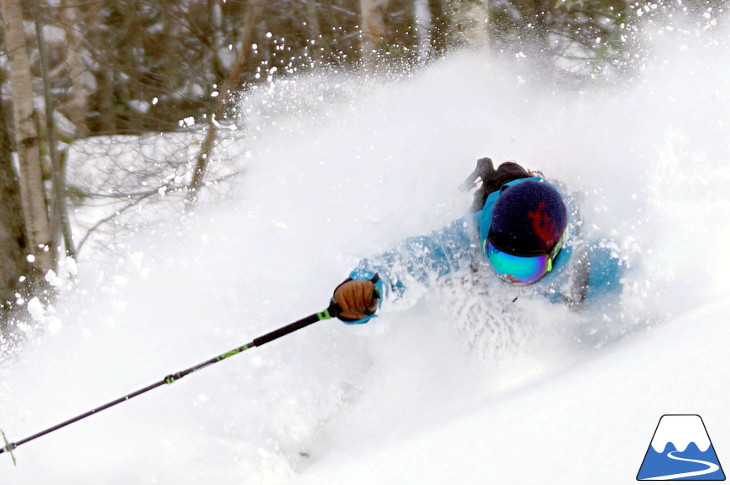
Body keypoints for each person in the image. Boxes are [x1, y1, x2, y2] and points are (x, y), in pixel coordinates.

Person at [330, 157, 623, 324]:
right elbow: (416, 260)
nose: (508, 275)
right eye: (498, 259)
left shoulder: (591, 258)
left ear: (555, 252)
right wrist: (371, 286)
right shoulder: (472, 234)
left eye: (524, 269)